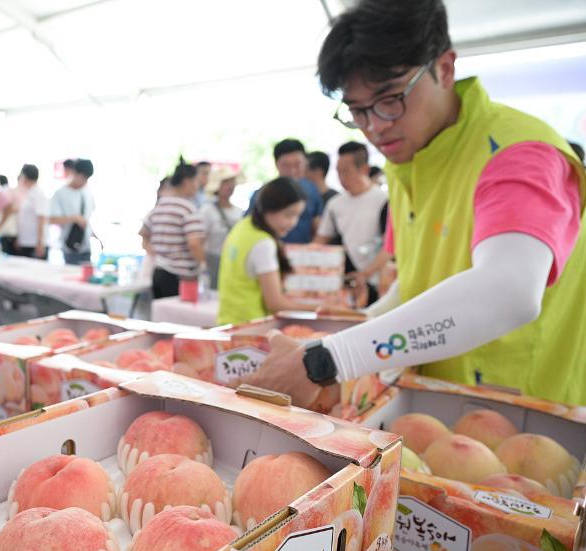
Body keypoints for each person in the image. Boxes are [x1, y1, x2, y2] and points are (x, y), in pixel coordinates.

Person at [246, 0, 585, 406]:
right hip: (429, 401)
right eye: (357, 111)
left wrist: (329, 358)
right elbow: (416, 283)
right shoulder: (406, 163)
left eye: (390, 99)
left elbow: (509, 290)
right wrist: (350, 333)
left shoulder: (518, 153)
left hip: (526, 415)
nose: (375, 127)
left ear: (444, 67)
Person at [217, 178, 319, 325]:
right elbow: (276, 303)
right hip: (251, 329)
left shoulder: (242, 226)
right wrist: (320, 308)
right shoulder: (263, 243)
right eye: (288, 215)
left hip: (228, 322)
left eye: (298, 216)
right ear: (269, 209)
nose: (293, 223)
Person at [314, 142, 388, 303]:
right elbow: (321, 240)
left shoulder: (383, 200)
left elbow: (390, 246)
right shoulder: (335, 204)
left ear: (364, 169)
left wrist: (365, 274)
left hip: (378, 281)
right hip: (348, 282)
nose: (341, 178)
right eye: (338, 172)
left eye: (346, 172)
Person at [140, 161, 206, 299]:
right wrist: (204, 266)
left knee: (161, 316)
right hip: (179, 277)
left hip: (158, 272)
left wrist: (151, 247)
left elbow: (143, 233)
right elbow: (194, 243)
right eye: (196, 182)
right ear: (187, 182)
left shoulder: (160, 205)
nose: (197, 187)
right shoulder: (188, 208)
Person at [246, 139, 325, 243]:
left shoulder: (312, 189)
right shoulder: (263, 194)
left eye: (297, 164)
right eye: (286, 165)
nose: (292, 170)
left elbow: (318, 225)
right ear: (276, 164)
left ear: (305, 163)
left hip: (302, 253)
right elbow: (250, 226)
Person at [199, 167, 244, 289]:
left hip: (235, 261)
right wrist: (203, 266)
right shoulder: (207, 211)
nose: (229, 186)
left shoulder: (239, 212)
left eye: (231, 182)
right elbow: (200, 241)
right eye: (225, 183)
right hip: (214, 261)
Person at [50, 158, 96, 264]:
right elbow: (51, 219)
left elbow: (88, 217)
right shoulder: (60, 194)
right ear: (74, 173)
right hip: (69, 246)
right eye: (83, 177)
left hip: (86, 246)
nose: (84, 181)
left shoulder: (87, 192)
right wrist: (74, 218)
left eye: (87, 178)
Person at [13, 164, 49, 259]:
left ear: (24, 176)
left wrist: (40, 242)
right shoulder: (29, 192)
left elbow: (41, 218)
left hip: (34, 244)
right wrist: (20, 239)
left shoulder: (38, 194)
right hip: (27, 242)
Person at [0, 173, 18, 254]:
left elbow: (10, 208)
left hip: (5, 231)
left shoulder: (2, 192)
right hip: (11, 231)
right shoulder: (11, 191)